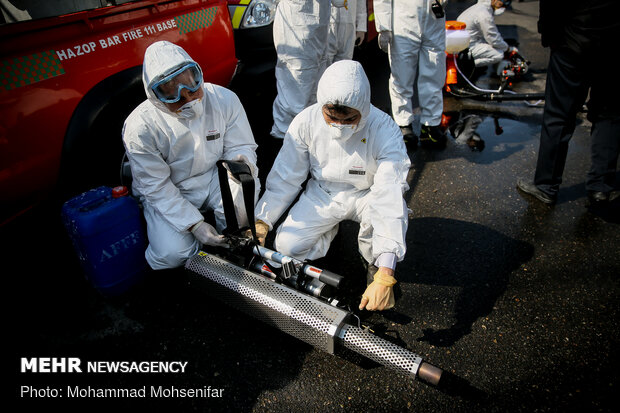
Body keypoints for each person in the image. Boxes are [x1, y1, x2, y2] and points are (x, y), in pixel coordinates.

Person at [254, 60, 411, 311]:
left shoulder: (384, 129)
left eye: (349, 118)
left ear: (364, 109)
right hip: (324, 193)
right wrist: (263, 220)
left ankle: (373, 266)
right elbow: (287, 176)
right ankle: (328, 232)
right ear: (321, 104)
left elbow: (388, 195)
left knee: (377, 249)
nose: (339, 125)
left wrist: (386, 270)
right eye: (331, 117)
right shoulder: (306, 121)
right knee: (286, 246)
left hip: (367, 194)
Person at [122, 41, 260, 270]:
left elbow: (242, 144)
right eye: (174, 96)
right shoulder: (140, 127)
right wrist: (194, 225)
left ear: (198, 75)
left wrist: (241, 165)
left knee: (242, 210)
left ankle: (227, 240)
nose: (188, 99)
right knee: (171, 255)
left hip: (214, 175)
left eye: (192, 89)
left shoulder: (224, 99)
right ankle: (202, 248)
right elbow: (155, 186)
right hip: (172, 189)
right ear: (156, 97)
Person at [516, 0, 620, 207]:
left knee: (559, 115)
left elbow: (551, 6)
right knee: (609, 115)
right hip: (614, 44)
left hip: (573, 42)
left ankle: (546, 185)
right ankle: (601, 186)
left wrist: (549, 35)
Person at [373, 0, 447, 149]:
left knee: (435, 74)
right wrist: (384, 26)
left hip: (434, 19)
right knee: (401, 76)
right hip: (404, 19)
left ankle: (431, 124)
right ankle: (403, 124)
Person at [270, 0, 348, 140]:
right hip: (297, 27)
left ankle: (307, 141)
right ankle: (286, 142)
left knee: (315, 93)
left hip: (318, 28)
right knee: (295, 93)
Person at [457, 0, 516, 75]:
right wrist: (508, 49)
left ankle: (467, 63)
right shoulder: (484, 14)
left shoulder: (478, 8)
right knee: (499, 54)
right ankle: (465, 65)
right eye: (501, 3)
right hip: (467, 47)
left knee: (491, 45)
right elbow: (493, 39)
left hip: (461, 43)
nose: (502, 7)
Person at [326, 0, 367, 65]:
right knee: (324, 64)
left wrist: (361, 27)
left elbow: (361, 2)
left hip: (349, 24)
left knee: (344, 65)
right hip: (328, 24)